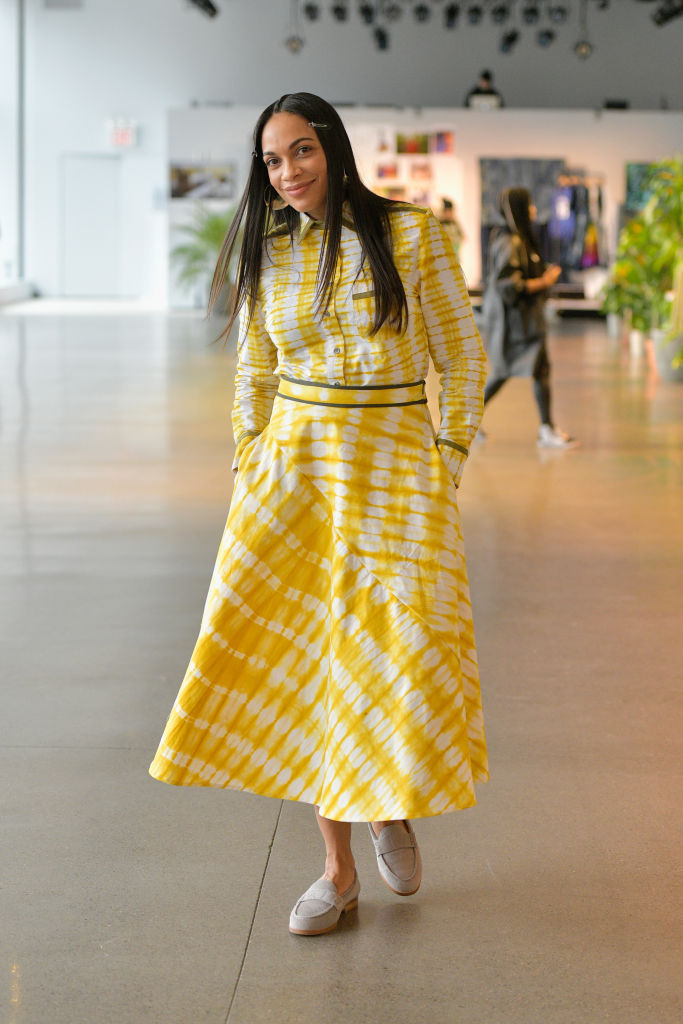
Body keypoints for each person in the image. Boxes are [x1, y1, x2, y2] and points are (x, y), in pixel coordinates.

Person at [149, 92, 489, 936]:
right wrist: (248, 459)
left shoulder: (411, 236)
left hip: (394, 470)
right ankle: (336, 874)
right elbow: (254, 372)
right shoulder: (270, 250)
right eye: (271, 160)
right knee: (309, 662)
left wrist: (444, 462)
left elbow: (462, 355)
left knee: (395, 652)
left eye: (300, 151)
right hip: (293, 476)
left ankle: (386, 806)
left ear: (332, 148)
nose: (288, 172)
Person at [480, 187, 576, 448]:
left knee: (540, 371)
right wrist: (544, 281)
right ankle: (468, 420)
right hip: (516, 325)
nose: (534, 209)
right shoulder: (510, 242)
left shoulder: (518, 240)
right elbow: (510, 285)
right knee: (502, 373)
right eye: (530, 204)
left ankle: (546, 428)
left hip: (526, 322)